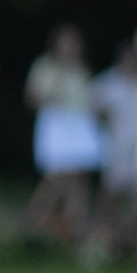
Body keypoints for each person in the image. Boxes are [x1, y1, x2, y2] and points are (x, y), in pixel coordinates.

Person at [24, 25, 103, 240]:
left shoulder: (83, 70)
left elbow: (90, 101)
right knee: (56, 178)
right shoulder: (45, 66)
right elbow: (32, 98)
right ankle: (35, 223)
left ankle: (75, 229)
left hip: (79, 125)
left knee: (79, 179)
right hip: (57, 124)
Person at [91, 37, 137, 248]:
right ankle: (106, 234)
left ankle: (130, 237)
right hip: (118, 144)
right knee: (112, 192)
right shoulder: (110, 82)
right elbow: (94, 106)